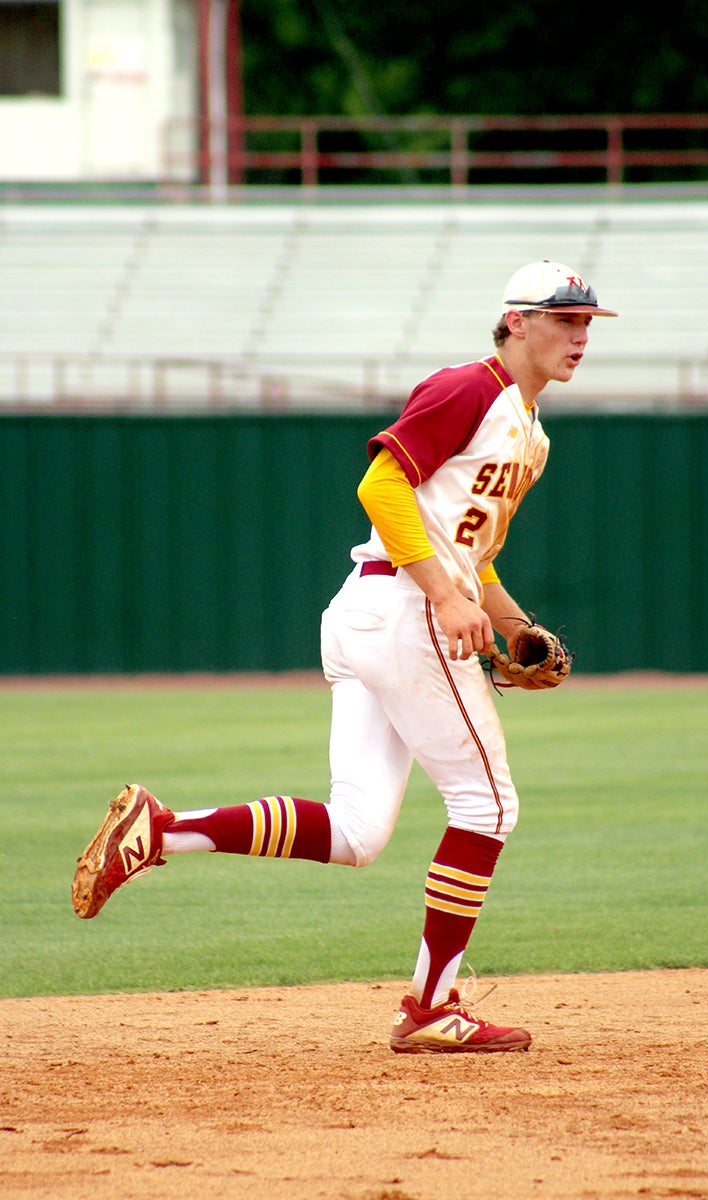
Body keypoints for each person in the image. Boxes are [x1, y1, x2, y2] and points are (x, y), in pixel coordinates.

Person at [72, 260, 617, 1054]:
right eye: (566, 320)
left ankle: (159, 831)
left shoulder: (531, 436)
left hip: (378, 611)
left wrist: (510, 623)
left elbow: (470, 552)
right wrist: (444, 598)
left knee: (359, 831)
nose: (580, 336)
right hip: (401, 608)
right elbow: (381, 488)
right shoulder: (471, 387)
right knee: (488, 807)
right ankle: (433, 1010)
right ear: (517, 321)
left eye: (588, 324)